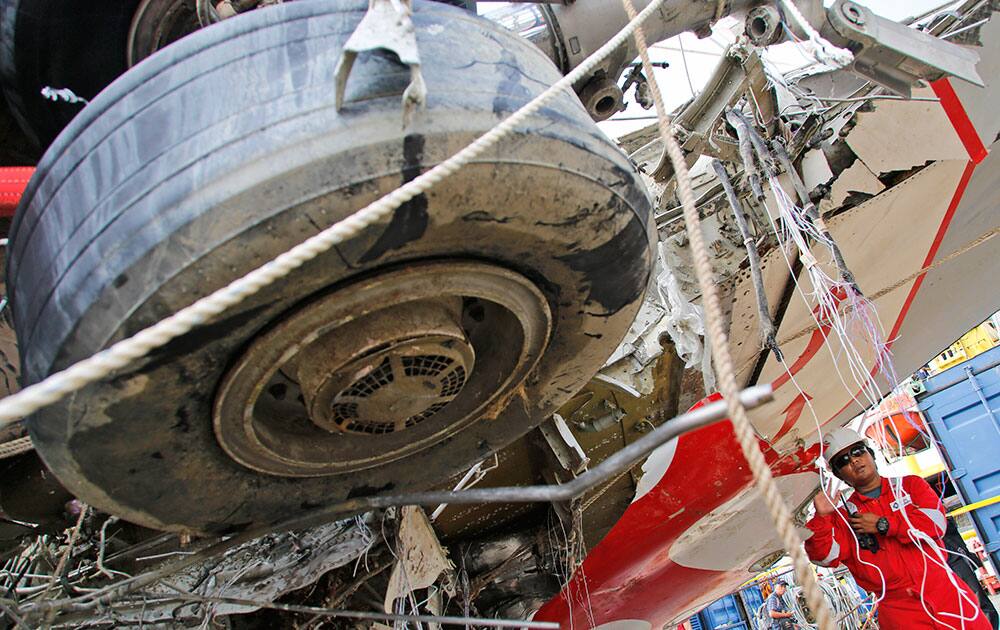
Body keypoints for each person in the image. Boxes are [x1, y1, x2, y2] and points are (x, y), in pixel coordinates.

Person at [804, 427, 992, 629]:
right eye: (843, 461)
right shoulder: (841, 518)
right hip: (899, 613)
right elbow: (824, 557)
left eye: (858, 451)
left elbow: (936, 524)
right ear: (839, 474)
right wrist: (821, 518)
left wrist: (883, 525)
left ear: (871, 454)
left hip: (947, 594)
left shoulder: (911, 486)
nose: (854, 460)